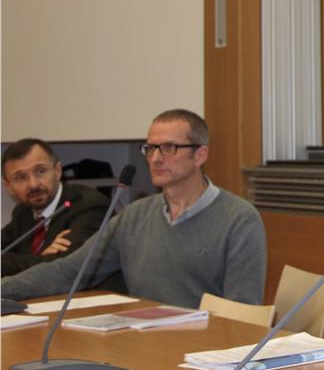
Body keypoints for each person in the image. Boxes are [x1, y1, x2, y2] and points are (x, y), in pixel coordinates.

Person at [1, 109, 267, 309]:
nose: (155, 158)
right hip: (142, 343)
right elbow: (70, 271)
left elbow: (241, 313)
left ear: (200, 155)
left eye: (168, 148)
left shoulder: (239, 219)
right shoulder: (135, 216)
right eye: (150, 148)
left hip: (203, 351)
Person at [2, 139, 110, 276]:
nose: (33, 184)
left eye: (40, 171)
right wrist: (41, 258)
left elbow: (65, 268)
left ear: (58, 171)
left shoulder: (89, 205)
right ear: (8, 187)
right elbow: (48, 264)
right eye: (21, 177)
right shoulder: (23, 212)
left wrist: (45, 261)